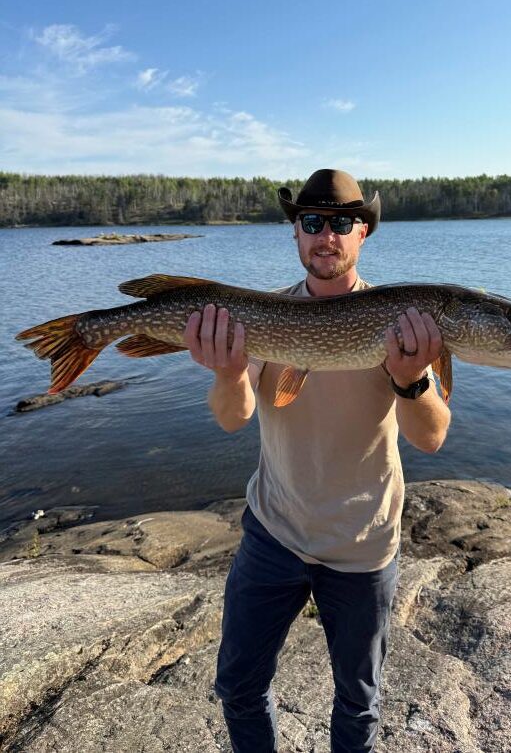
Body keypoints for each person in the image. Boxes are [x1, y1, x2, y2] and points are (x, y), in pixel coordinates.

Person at [183, 169, 451, 753]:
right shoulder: (263, 316)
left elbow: (430, 438)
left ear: (363, 235)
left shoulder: (403, 325)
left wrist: (409, 379)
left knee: (358, 703)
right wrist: (230, 372)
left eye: (341, 224)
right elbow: (234, 416)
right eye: (311, 223)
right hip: (273, 533)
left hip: (362, 546)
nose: (325, 236)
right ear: (295, 234)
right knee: (238, 686)